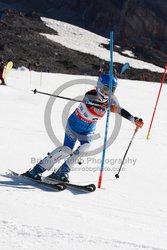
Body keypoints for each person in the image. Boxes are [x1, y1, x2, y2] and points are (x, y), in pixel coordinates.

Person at [24, 73, 144, 182]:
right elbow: (91, 105)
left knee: (85, 146)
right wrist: (106, 107)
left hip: (88, 130)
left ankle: (62, 172)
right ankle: (37, 170)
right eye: (106, 88)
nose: (108, 92)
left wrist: (134, 120)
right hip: (74, 126)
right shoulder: (91, 94)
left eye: (112, 89)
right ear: (100, 86)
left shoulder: (111, 101)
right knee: (67, 150)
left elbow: (120, 111)